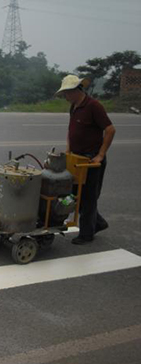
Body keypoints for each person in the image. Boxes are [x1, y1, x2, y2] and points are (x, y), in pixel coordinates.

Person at [56, 75, 116, 245]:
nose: (65, 97)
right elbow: (71, 130)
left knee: (88, 197)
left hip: (91, 160)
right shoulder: (74, 106)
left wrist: (101, 154)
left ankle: (87, 234)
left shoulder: (93, 106)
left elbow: (110, 130)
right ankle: (98, 223)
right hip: (76, 158)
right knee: (76, 196)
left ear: (76, 91)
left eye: (67, 94)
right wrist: (68, 150)